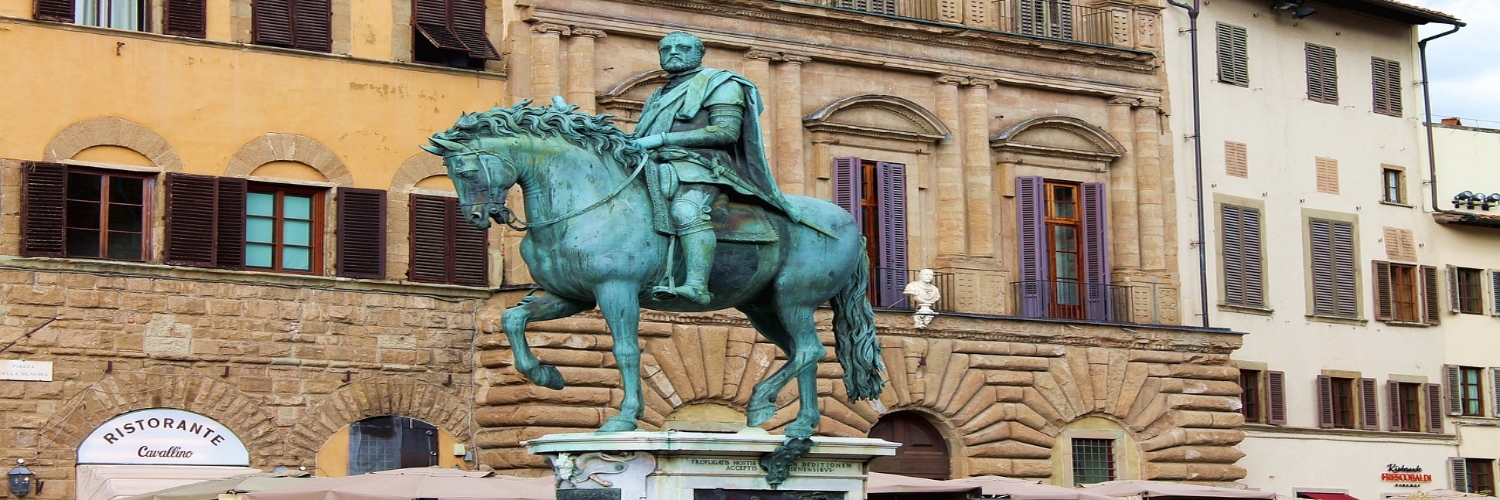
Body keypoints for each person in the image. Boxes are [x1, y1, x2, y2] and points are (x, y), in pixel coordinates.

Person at [632, 31, 805, 305]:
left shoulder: (721, 83)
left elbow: (725, 132)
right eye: (666, 49)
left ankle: (697, 285)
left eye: (683, 48)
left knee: (685, 210)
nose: (673, 52)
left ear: (698, 53)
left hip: (700, 167)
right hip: (655, 165)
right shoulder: (658, 94)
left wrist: (663, 139)